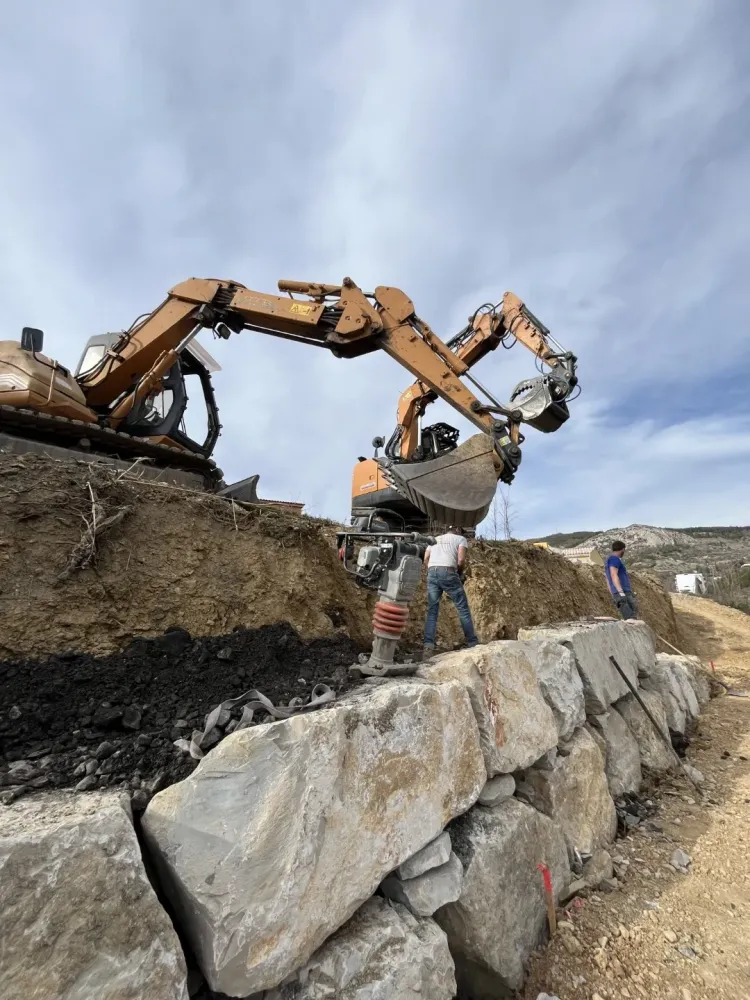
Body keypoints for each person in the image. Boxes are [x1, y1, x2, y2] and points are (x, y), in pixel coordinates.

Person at [423, 525, 479, 656]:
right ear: (458, 530)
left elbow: (426, 558)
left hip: (432, 571)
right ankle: (472, 643)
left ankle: (427, 647)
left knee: (432, 611)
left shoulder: (434, 539)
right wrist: (459, 573)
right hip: (448, 572)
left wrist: (431, 570)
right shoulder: (460, 539)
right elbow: (461, 560)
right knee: (462, 608)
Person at [605, 540, 639, 620]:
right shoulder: (615, 559)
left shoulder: (608, 560)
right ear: (623, 549)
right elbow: (613, 575)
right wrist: (620, 592)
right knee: (631, 616)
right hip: (623, 592)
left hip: (618, 592)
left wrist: (612, 592)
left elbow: (607, 578)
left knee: (630, 616)